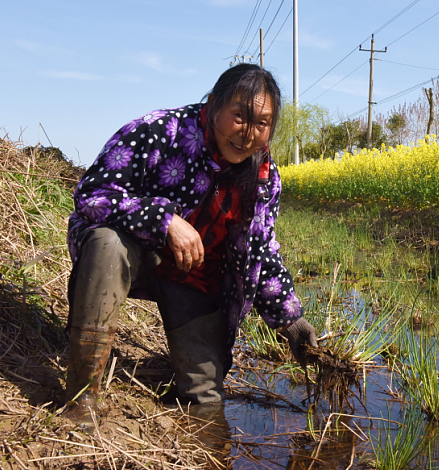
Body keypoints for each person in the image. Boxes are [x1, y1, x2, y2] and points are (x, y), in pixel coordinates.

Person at [64, 63, 318, 431]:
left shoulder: (263, 176)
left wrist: (290, 320)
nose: (248, 134)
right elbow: (91, 195)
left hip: (193, 276)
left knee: (204, 398)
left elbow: (260, 250)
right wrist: (164, 220)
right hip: (133, 254)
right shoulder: (158, 132)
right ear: (214, 104)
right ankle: (81, 397)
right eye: (239, 117)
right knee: (106, 243)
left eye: (261, 123)